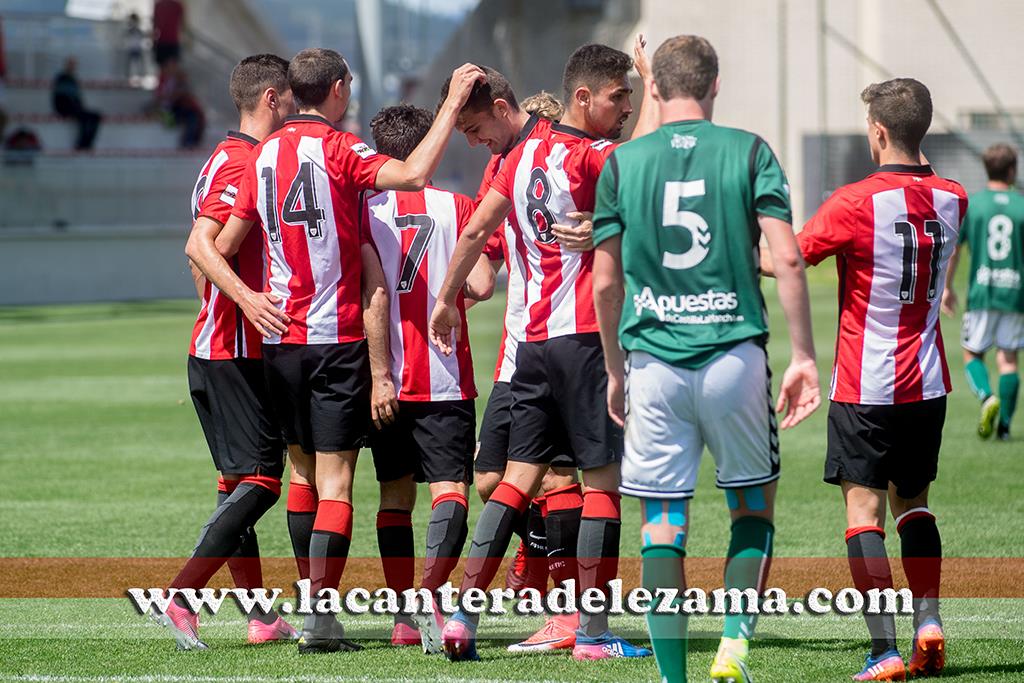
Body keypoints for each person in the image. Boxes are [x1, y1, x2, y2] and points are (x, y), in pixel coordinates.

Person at [189, 47, 484, 654]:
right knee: (337, 486)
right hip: (337, 341)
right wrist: (452, 104)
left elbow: (208, 243)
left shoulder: (262, 154)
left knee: (299, 472)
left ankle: (306, 606)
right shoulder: (342, 149)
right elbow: (412, 177)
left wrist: (244, 296)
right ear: (340, 89)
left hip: (278, 344)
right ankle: (324, 620)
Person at [591, 35, 819, 683]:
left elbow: (605, 284)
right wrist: (803, 354)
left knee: (662, 522)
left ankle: (672, 678)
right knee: (751, 507)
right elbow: (791, 258)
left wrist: (615, 368)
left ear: (653, 89)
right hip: (734, 362)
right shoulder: (749, 151)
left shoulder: (623, 163)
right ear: (716, 85)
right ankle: (734, 646)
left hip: (655, 367)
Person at [429, 42, 658, 662]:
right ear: (583, 96)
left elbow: (477, 229)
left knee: (514, 481)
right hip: (583, 341)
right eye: (620, 97)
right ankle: (592, 632)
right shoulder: (593, 153)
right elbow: (652, 170)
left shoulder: (518, 154)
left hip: (527, 346)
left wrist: (447, 299)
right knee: (603, 481)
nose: (626, 109)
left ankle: (463, 617)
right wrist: (659, 85)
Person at [764, 78, 966, 680]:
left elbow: (787, 259)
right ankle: (928, 622)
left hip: (865, 383)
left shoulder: (854, 201)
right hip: (928, 382)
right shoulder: (957, 196)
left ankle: (884, 651)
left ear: (877, 132)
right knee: (916, 503)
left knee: (863, 514)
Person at [154, 54, 296, 651]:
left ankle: (261, 615)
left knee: (235, 482)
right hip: (234, 352)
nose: (295, 109)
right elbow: (201, 244)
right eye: (291, 99)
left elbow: (196, 259)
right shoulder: (244, 162)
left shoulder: (217, 156)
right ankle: (182, 596)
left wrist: (214, 307)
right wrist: (246, 301)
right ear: (271, 98)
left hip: (213, 345)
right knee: (263, 480)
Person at [443, 67, 586, 653]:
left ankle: (564, 602)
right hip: (520, 352)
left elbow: (479, 238)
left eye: (479, 131)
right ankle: (537, 570)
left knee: (555, 475)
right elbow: (487, 260)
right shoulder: (508, 167)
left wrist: (442, 296)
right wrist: (456, 288)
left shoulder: (554, 163)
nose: (481, 143)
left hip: (563, 340)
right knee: (491, 479)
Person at [361, 104, 481, 653]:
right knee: (449, 490)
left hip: (383, 376)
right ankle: (432, 596)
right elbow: (478, 283)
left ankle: (405, 616)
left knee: (393, 496)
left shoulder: (364, 208)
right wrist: (450, 294)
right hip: (445, 372)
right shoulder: (459, 206)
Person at [942, 143, 1023, 441]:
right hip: (1015, 294)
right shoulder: (1021, 205)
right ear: (1012, 170)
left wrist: (947, 288)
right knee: (1008, 360)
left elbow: (954, 251)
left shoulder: (973, 205)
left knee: (972, 353)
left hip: (982, 293)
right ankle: (1004, 429)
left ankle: (988, 397)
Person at [52, 58, 102, 150]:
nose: (73, 67)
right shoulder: (61, 78)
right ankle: (81, 144)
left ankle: (87, 143)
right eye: (71, 64)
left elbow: (77, 98)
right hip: (65, 109)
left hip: (75, 108)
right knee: (85, 118)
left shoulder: (73, 79)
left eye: (74, 65)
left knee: (96, 116)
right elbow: (60, 98)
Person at [154, 59, 205, 148]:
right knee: (192, 117)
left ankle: (190, 142)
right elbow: (162, 97)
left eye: (173, 67)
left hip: (178, 108)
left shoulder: (179, 79)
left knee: (195, 117)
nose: (172, 69)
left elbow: (182, 94)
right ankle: (187, 141)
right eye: (169, 67)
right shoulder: (163, 81)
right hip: (169, 109)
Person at [152, 0, 184, 67]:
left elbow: (155, 25)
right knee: (172, 68)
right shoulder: (178, 5)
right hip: (173, 40)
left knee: (163, 68)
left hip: (162, 41)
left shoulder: (158, 5)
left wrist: (154, 41)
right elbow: (183, 25)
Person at [124, 12, 147, 84]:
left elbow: (143, 35)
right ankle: (128, 78)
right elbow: (125, 35)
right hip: (131, 48)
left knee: (139, 64)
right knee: (129, 64)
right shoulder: (130, 30)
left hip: (138, 48)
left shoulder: (138, 30)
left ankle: (141, 78)